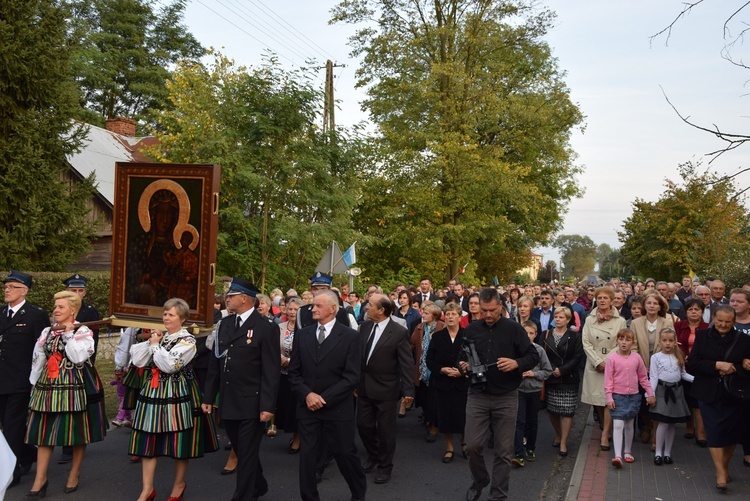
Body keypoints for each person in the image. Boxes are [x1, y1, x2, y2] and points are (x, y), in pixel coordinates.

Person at [130, 298, 219, 501]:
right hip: (153, 392)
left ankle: (179, 485)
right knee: (149, 438)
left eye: (171, 314)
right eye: (165, 314)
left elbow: (170, 365)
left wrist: (154, 345)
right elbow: (137, 360)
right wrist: (152, 342)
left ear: (183, 318)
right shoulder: (160, 338)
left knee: (180, 442)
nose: (166, 317)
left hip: (179, 392)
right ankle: (147, 489)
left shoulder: (188, 341)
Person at [202, 278, 280, 501]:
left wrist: (267, 406)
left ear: (244, 298)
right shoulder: (225, 324)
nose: (227, 299)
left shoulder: (265, 327)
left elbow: (271, 371)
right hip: (228, 399)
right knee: (242, 448)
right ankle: (259, 484)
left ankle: (243, 496)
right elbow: (216, 364)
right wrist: (209, 395)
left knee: (246, 454)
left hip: (251, 401)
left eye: (231, 296)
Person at [25, 290, 107, 496]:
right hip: (49, 383)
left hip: (76, 382)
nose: (56, 310)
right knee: (44, 432)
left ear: (73, 310)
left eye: (61, 307)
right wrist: (34, 383)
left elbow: (78, 356)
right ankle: (40, 479)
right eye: (55, 306)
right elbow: (38, 357)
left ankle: (74, 473)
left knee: (77, 431)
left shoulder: (83, 332)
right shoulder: (47, 331)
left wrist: (69, 333)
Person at [287, 289, 366, 501]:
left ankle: (358, 492)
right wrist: (308, 395)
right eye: (313, 305)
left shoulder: (350, 337)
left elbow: (351, 377)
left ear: (333, 309)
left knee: (344, 453)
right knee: (307, 457)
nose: (313, 309)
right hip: (307, 408)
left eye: (318, 305)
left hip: (338, 408)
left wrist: (323, 399)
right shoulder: (302, 335)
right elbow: (293, 373)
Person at [462, 288, 539, 501]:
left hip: (506, 396)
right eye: (483, 310)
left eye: (492, 310)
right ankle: (480, 479)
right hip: (477, 394)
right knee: (473, 445)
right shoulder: (471, 329)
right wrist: (462, 366)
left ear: (501, 307)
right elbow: (462, 356)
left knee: (503, 451)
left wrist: (517, 363)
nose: (487, 315)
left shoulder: (514, 329)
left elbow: (532, 355)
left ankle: (498, 496)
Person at [687, 305, 750, 491]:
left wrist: (738, 367)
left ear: (734, 322)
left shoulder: (745, 340)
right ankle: (720, 473)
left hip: (735, 393)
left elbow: (747, 367)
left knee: (731, 433)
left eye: (728, 322)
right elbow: (693, 364)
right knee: (714, 431)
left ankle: (724, 466)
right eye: (720, 320)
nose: (723, 325)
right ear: (713, 318)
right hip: (708, 392)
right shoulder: (702, 336)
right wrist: (716, 365)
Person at [357, 293, 414, 483]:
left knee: (385, 431)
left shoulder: (398, 332)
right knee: (363, 425)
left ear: (381, 310)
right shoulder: (364, 327)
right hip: (364, 387)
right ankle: (374, 455)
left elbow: (406, 363)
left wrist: (408, 391)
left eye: (370, 305)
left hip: (387, 389)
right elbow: (358, 358)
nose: (366, 307)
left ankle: (385, 466)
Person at [0, 270, 50, 489]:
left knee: (12, 426)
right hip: (1, 378)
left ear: (24, 291)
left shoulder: (35, 315)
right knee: (7, 423)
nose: (7, 290)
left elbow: (40, 350)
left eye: (12, 287)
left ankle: (11, 472)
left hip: (21, 381)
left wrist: (35, 381)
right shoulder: (1, 313)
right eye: (6, 287)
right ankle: (29, 453)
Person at [581, 287, 626, 451]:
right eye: (599, 297)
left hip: (611, 364)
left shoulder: (620, 321)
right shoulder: (589, 319)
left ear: (612, 300)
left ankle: (605, 434)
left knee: (609, 400)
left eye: (606, 298)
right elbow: (586, 343)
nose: (602, 300)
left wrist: (607, 362)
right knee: (597, 400)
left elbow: (620, 343)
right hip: (594, 365)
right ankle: (603, 422)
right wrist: (597, 361)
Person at [605, 329, 655, 468]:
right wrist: (609, 397)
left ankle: (627, 451)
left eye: (627, 340)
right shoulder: (612, 358)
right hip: (617, 395)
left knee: (629, 424)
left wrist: (650, 393)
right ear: (617, 341)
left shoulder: (637, 358)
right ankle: (617, 455)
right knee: (618, 424)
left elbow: (643, 377)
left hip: (633, 395)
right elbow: (608, 380)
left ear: (632, 343)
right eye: (621, 339)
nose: (624, 342)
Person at [426, 303, 469, 464]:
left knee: (463, 415)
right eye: (448, 314)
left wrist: (463, 371)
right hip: (443, 383)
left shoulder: (467, 335)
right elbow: (429, 360)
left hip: (462, 383)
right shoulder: (437, 337)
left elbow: (475, 359)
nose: (450, 317)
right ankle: (449, 447)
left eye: (453, 314)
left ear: (460, 316)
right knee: (446, 416)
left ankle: (464, 443)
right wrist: (442, 369)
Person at [630, 290, 674, 447]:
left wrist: (656, 365)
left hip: (661, 368)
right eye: (649, 303)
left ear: (660, 306)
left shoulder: (667, 322)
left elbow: (669, 344)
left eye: (655, 303)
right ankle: (646, 427)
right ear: (644, 305)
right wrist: (642, 365)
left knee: (658, 401)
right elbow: (633, 345)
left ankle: (656, 434)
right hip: (641, 368)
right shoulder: (636, 323)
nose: (652, 306)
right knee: (643, 401)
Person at [649, 327, 694, 465]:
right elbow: (653, 377)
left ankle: (668, 453)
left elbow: (683, 374)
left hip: (677, 392)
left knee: (672, 424)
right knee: (663, 422)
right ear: (660, 341)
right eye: (664, 340)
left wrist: (698, 381)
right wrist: (650, 394)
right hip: (662, 392)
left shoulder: (678, 355)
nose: (667, 343)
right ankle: (658, 453)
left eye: (670, 340)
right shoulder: (655, 357)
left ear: (675, 342)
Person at [542, 307, 583, 457]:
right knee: (553, 410)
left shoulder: (574, 336)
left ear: (567, 319)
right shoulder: (545, 335)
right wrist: (552, 369)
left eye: (561, 317)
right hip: (551, 376)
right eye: (556, 317)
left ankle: (564, 441)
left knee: (567, 411)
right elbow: (541, 353)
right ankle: (558, 434)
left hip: (569, 377)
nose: (558, 319)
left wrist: (562, 369)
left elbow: (578, 356)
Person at [511, 321, 552, 467]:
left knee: (532, 421)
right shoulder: (515, 349)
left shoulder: (539, 350)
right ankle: (518, 453)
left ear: (536, 335)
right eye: (525, 333)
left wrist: (533, 373)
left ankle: (530, 448)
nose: (528, 336)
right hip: (519, 390)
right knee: (519, 421)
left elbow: (547, 371)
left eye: (531, 333)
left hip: (534, 390)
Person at [674, 298, 709, 446]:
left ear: (702, 312)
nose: (693, 312)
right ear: (686, 312)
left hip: (700, 368)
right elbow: (672, 343)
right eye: (690, 309)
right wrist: (681, 357)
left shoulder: (708, 328)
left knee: (698, 401)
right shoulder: (678, 326)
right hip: (682, 367)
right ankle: (689, 426)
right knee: (687, 398)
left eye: (697, 309)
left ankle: (701, 432)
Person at [411, 301, 445, 443]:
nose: (423, 315)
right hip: (421, 368)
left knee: (434, 400)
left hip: (436, 370)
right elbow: (412, 345)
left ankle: (433, 426)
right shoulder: (419, 327)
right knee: (423, 397)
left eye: (426, 313)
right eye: (423, 312)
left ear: (435, 315)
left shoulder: (442, 328)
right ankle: (428, 417)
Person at [277, 297, 304, 454]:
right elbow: (272, 348)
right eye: (290, 309)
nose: (293, 312)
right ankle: (291, 433)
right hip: (282, 373)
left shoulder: (306, 327)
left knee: (296, 407)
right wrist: (282, 359)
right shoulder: (279, 327)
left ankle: (297, 438)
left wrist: (291, 361)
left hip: (299, 374)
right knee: (285, 406)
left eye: (296, 309)